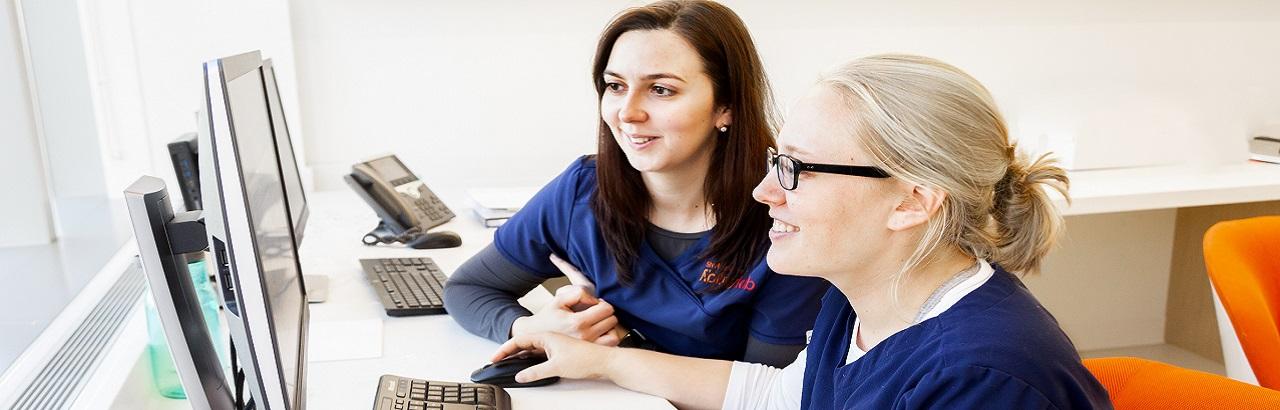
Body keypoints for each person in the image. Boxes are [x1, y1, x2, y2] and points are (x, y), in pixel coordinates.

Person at [490, 54, 1112, 409]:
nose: (765, 192)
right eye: (774, 160)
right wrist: (601, 363)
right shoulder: (867, 293)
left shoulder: (979, 379)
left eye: (796, 169)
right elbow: (787, 394)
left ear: (913, 202)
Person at [443, 0, 829, 367]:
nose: (628, 113)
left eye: (661, 90)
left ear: (724, 105)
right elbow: (466, 290)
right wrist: (530, 328)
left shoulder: (786, 217)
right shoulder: (583, 190)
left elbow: (768, 390)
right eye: (615, 86)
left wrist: (614, 356)